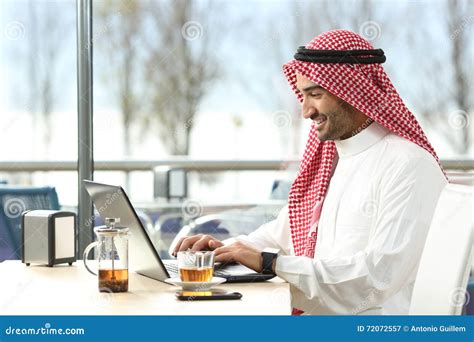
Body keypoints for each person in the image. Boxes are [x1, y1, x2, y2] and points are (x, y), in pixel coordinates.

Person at [173, 29, 447, 315]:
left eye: (315, 95)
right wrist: (221, 250)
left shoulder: (408, 165)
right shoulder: (331, 159)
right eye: (302, 96)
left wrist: (269, 262)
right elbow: (280, 236)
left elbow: (376, 280)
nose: (306, 111)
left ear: (352, 91)